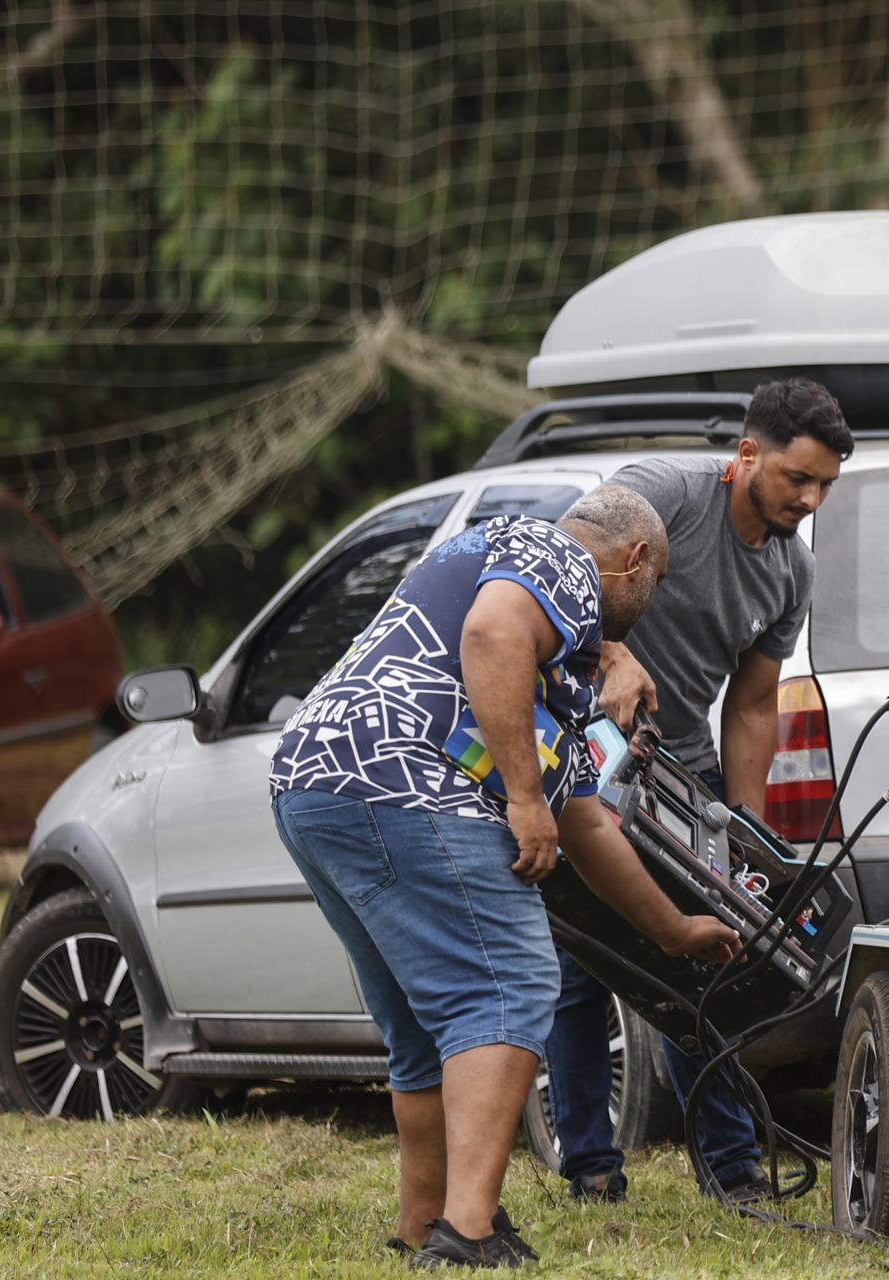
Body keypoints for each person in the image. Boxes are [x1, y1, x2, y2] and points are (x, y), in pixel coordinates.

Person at [268, 487, 741, 1269]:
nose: (644, 610)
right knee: (511, 987)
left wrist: (674, 931)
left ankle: (422, 1225)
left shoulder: (542, 648)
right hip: (405, 781)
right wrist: (524, 798)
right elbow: (492, 635)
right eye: (653, 588)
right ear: (636, 561)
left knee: (428, 1028)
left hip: (316, 785)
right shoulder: (555, 557)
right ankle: (469, 1232)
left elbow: (586, 822)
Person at [543, 377, 852, 1206]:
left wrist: (739, 824)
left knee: (702, 964)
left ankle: (733, 1168)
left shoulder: (793, 569)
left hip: (679, 775)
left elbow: (752, 705)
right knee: (582, 968)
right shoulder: (661, 492)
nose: (809, 498)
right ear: (746, 454)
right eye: (797, 478)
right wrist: (611, 653)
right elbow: (551, 571)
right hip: (577, 756)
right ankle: (590, 1168)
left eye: (824, 485)